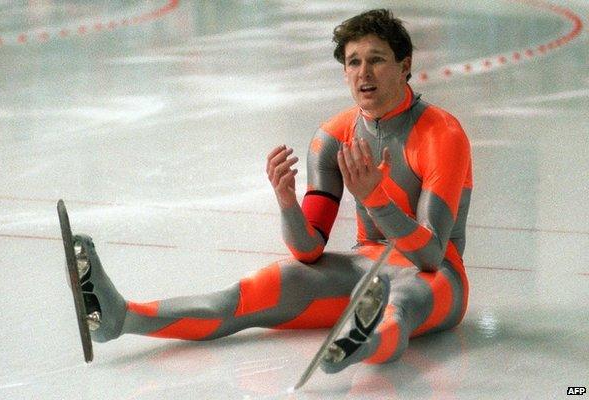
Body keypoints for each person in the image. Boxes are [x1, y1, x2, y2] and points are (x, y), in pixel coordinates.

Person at [73, 8, 472, 374]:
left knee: (397, 305)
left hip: (436, 276)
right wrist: (287, 204)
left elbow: (431, 254)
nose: (363, 72)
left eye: (376, 59)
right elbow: (308, 249)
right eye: (354, 62)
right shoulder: (333, 137)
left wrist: (375, 200)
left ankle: (358, 343)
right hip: (362, 266)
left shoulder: (442, 134)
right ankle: (121, 317)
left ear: (405, 67)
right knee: (247, 295)